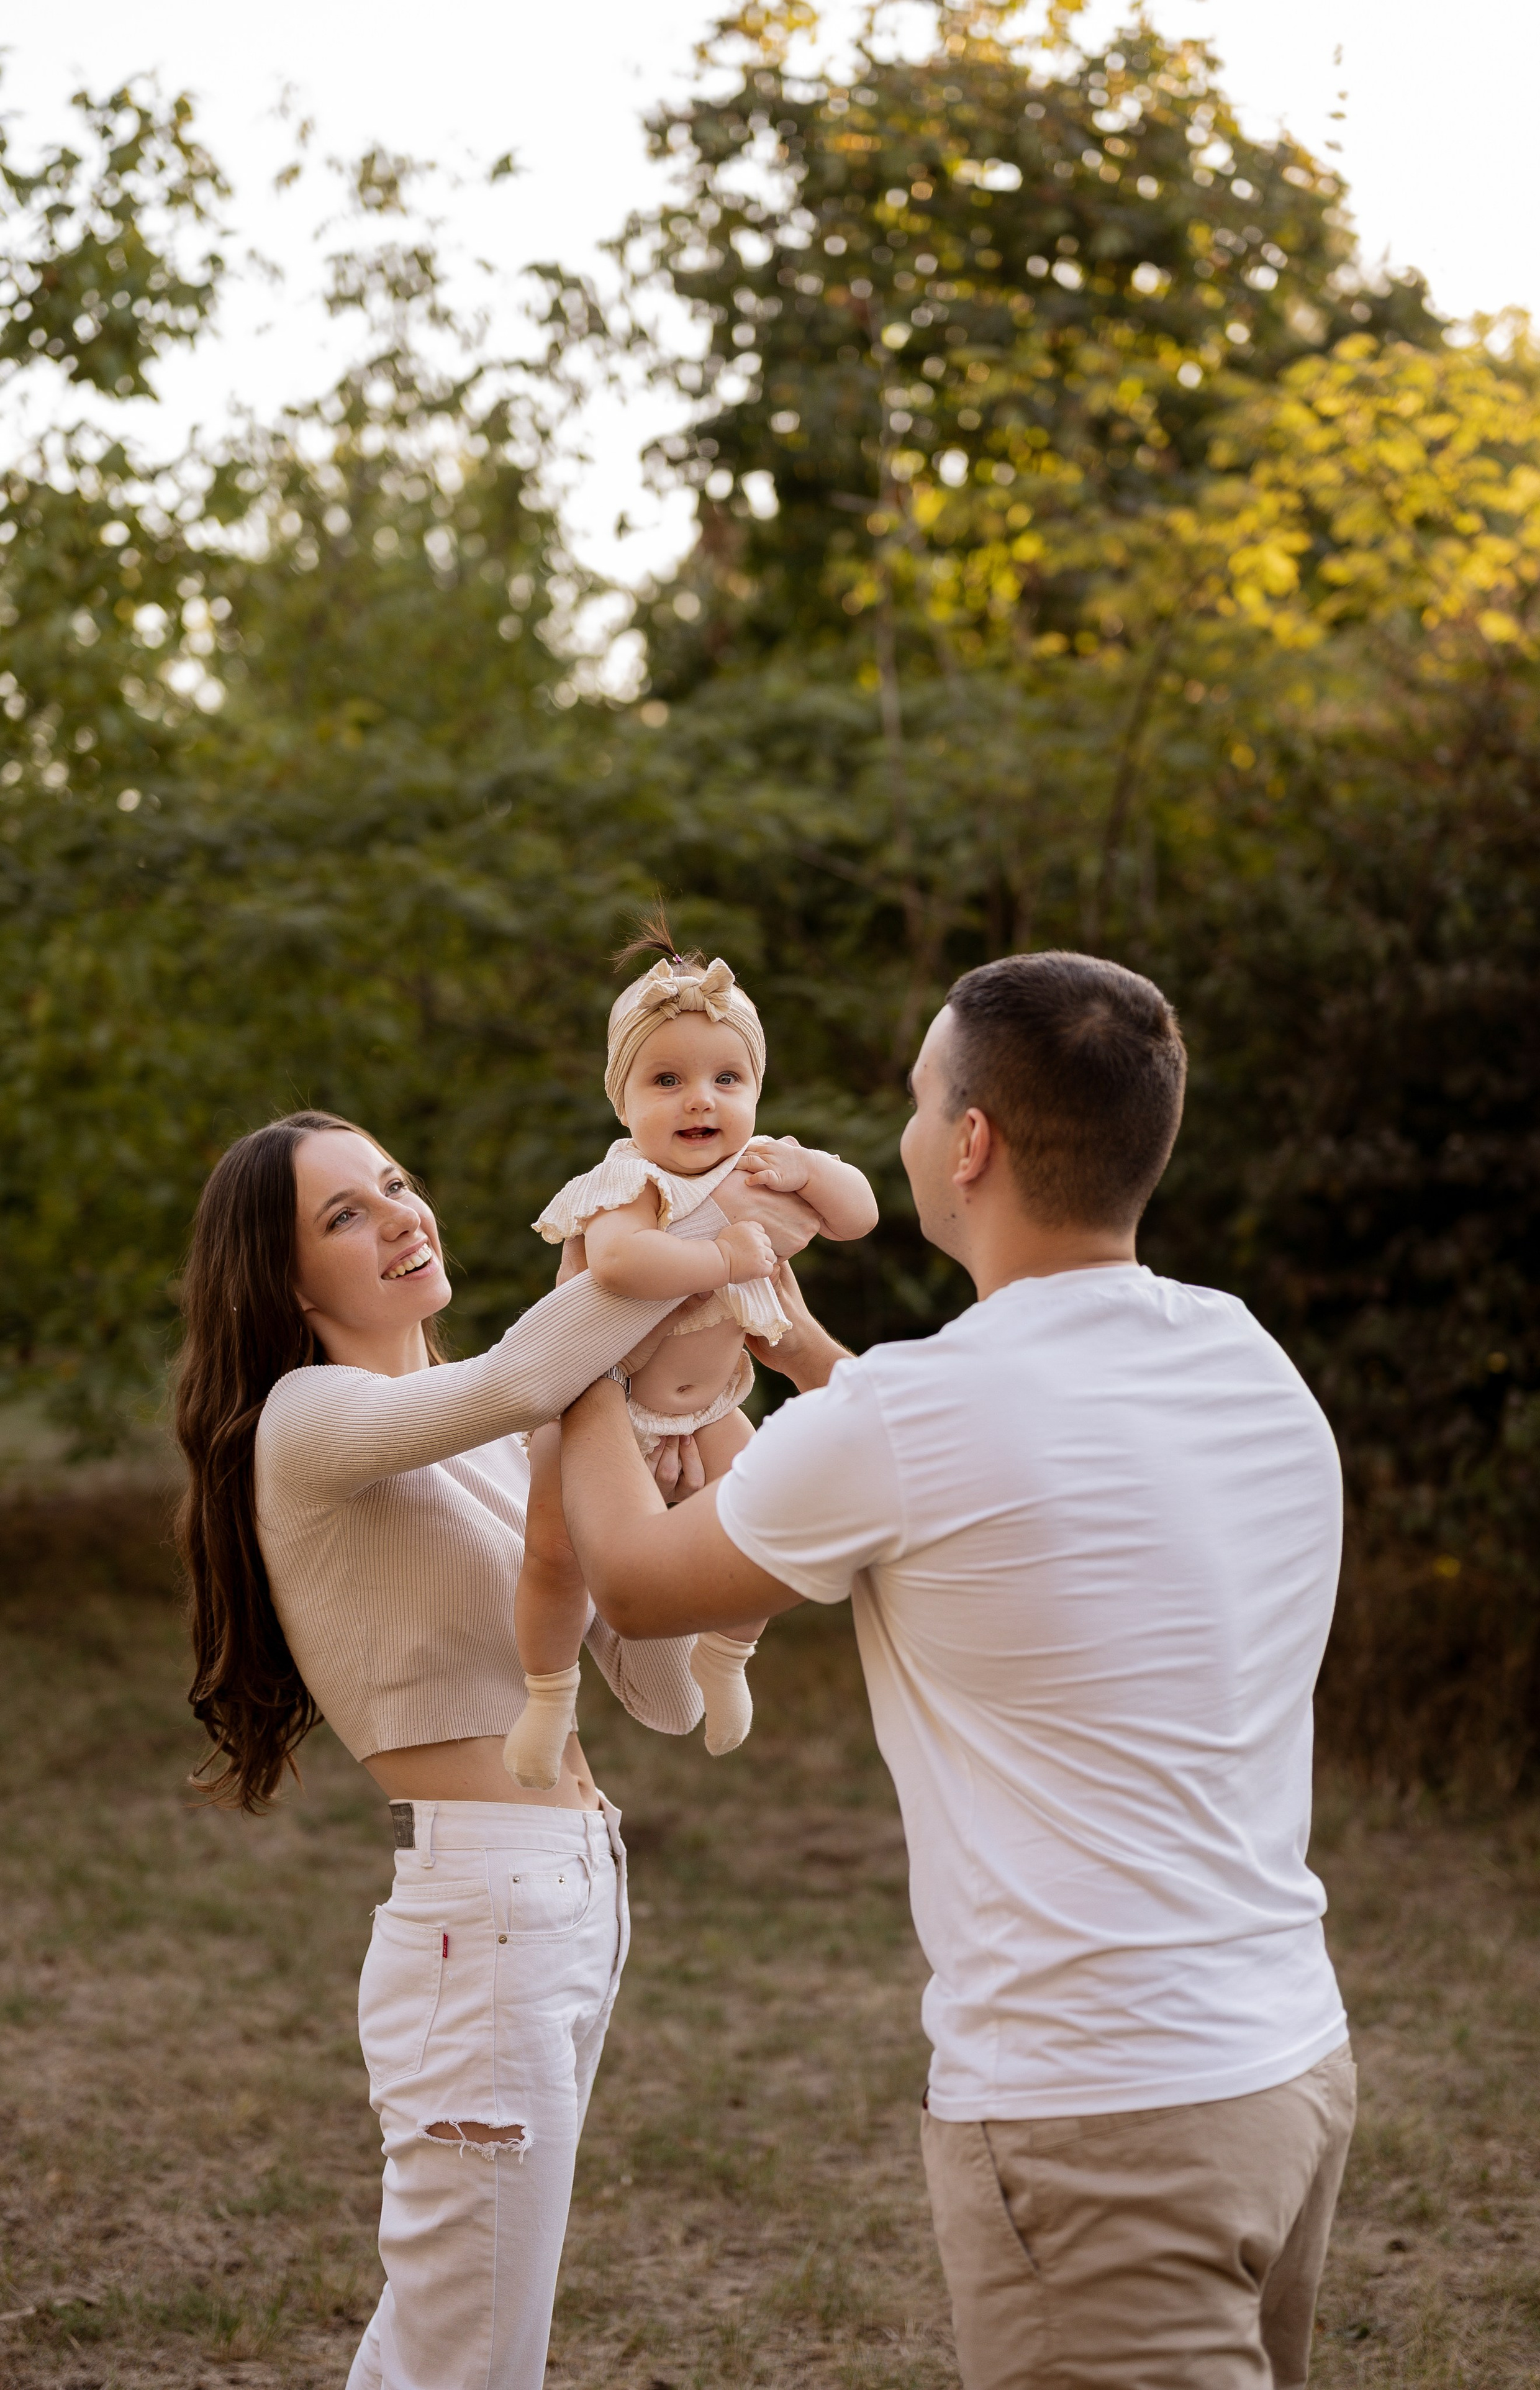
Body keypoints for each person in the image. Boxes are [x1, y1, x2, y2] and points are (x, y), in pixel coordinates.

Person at [556, 952, 1355, 2390]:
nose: (908, 1131)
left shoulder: (911, 1415)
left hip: (1098, 2116)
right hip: (1288, 2060)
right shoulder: (1239, 1355)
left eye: (921, 1101)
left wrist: (578, 1354)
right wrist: (804, 1355)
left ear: (971, 1142)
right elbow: (988, 1470)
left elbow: (631, 1574)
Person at [173, 1106, 815, 2390]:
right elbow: (529, 1370)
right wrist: (679, 1234)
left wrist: (692, 1499)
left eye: (397, 1184)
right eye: (342, 1216)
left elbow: (659, 1698)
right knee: (473, 2354)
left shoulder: (471, 1430)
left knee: (449, 2333)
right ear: (283, 1277)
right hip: (485, 1917)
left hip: (568, 1893)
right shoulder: (311, 1418)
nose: (400, 1216)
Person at [505, 920, 876, 1788]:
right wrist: (723, 1258)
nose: (699, 1101)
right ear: (623, 1101)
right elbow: (622, 1265)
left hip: (712, 1406)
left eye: (726, 1078)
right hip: (603, 1406)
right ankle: (549, 1693)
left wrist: (809, 1170)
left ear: (755, 1088)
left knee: (769, 1517)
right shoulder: (629, 1183)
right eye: (666, 1080)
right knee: (554, 1553)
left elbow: (856, 1214)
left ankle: (728, 1653)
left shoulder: (761, 1167)